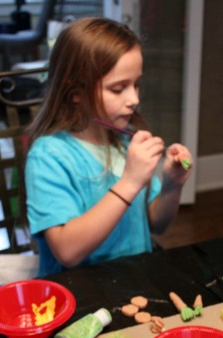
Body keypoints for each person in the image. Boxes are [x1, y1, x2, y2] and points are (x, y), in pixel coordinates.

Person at [25, 17, 193, 277]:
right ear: (76, 92)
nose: (134, 99)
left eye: (136, 84)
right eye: (118, 88)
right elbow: (67, 252)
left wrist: (172, 185)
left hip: (134, 279)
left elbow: (155, 224)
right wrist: (130, 181)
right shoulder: (49, 156)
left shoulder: (125, 142)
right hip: (78, 295)